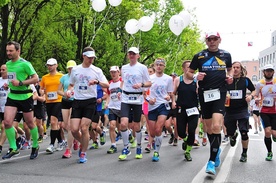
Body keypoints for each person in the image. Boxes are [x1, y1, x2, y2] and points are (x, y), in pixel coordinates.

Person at [187, 32, 233, 175]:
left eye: (215, 39)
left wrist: (229, 76)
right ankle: (216, 148)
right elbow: (189, 72)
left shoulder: (226, 55)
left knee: (216, 126)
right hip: (204, 94)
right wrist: (195, 76)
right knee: (208, 129)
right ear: (206, 41)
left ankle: (211, 161)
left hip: (220, 92)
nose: (212, 41)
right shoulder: (199, 56)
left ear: (220, 40)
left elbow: (229, 69)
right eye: (209, 39)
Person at [66, 47, 109, 163]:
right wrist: (69, 91)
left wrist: (97, 82)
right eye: (89, 58)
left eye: (93, 58)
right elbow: (71, 84)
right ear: (83, 56)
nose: (91, 60)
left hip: (90, 101)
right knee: (74, 129)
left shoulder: (97, 70)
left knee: (84, 128)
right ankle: (83, 143)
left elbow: (107, 85)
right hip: (77, 101)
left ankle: (83, 152)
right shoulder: (75, 70)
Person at [2, 41, 39, 160]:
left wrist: (21, 83)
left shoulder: (25, 64)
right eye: (7, 50)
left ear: (18, 51)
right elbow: (12, 78)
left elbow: (36, 79)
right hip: (12, 96)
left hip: (25, 96)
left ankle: (35, 145)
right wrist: (8, 85)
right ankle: (14, 148)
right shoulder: (7, 64)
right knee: (7, 123)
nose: (8, 53)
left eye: (11, 51)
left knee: (29, 123)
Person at [118, 47, 151, 160]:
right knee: (123, 123)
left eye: (134, 54)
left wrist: (141, 85)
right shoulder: (124, 68)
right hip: (125, 97)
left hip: (137, 98)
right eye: (130, 53)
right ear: (128, 55)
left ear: (138, 56)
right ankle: (126, 147)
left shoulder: (142, 67)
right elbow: (123, 81)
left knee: (136, 125)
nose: (131, 55)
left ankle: (138, 146)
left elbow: (149, 83)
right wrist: (119, 90)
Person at [224, 61, 255, 163]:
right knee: (230, 132)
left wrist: (250, 96)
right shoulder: (226, 80)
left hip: (242, 109)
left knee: (244, 132)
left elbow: (254, 90)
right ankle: (233, 135)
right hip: (229, 110)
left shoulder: (245, 80)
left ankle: (244, 153)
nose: (236, 69)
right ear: (231, 69)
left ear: (241, 70)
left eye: (238, 67)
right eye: (234, 67)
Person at [145, 58, 173, 162]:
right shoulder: (149, 78)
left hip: (163, 105)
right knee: (152, 133)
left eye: (161, 65)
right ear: (154, 66)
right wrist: (149, 100)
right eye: (157, 64)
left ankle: (156, 151)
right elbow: (144, 94)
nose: (159, 66)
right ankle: (156, 141)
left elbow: (170, 94)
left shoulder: (168, 79)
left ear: (164, 67)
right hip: (152, 106)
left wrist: (169, 98)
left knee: (158, 129)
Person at [172, 60, 199, 161]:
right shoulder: (178, 80)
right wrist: (173, 101)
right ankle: (186, 140)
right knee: (181, 132)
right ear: (183, 69)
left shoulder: (196, 80)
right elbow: (173, 93)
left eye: (192, 68)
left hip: (193, 109)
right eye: (188, 67)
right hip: (181, 109)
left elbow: (200, 93)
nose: (190, 69)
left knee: (192, 130)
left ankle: (188, 151)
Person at [40, 58, 64, 154]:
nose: (50, 67)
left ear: (56, 65)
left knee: (53, 122)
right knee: (55, 124)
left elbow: (66, 87)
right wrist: (42, 92)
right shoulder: (45, 77)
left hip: (59, 100)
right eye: (48, 65)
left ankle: (51, 144)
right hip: (49, 101)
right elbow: (41, 88)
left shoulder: (61, 76)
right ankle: (61, 141)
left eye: (52, 65)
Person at [255, 64, 276, 161]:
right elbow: (256, 95)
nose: (269, 72)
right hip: (264, 110)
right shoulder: (260, 84)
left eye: (271, 71)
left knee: (274, 133)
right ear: (264, 72)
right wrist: (257, 99)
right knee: (267, 132)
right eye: (267, 71)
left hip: (275, 111)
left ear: (273, 72)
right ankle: (269, 152)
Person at [57, 60, 77, 158]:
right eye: (69, 68)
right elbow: (58, 91)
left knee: (70, 125)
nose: (71, 70)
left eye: (72, 68)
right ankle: (75, 138)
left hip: (75, 101)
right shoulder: (63, 77)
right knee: (65, 125)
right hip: (65, 101)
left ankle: (68, 149)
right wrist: (64, 93)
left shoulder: (78, 77)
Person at [105, 66, 122, 154]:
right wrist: (107, 103)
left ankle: (129, 135)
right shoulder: (109, 83)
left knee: (123, 126)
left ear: (118, 72)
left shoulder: (123, 82)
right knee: (112, 126)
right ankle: (113, 145)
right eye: (112, 72)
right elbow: (108, 95)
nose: (113, 74)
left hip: (122, 107)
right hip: (112, 107)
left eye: (115, 72)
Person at [0, 64, 9, 154]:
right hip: (1, 106)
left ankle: (0, 146)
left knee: (4, 125)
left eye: (3, 70)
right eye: (1, 70)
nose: (1, 71)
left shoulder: (11, 80)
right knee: (8, 126)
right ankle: (19, 138)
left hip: (9, 107)